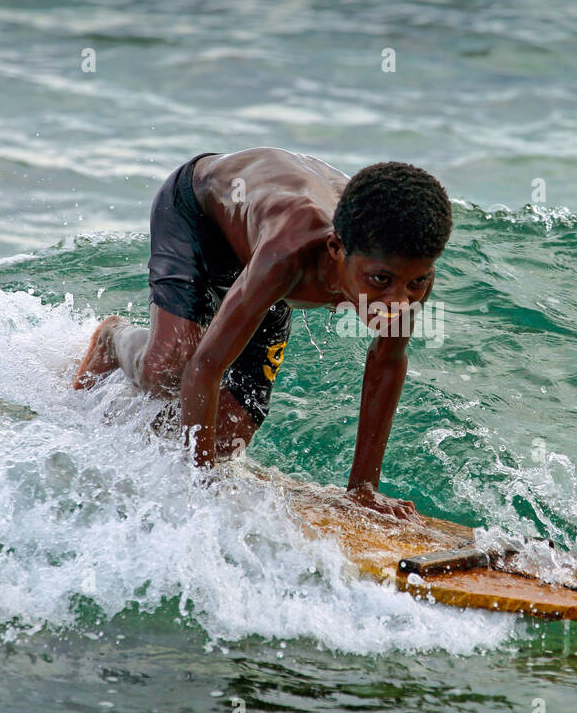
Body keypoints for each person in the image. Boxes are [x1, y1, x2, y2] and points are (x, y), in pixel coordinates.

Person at [72, 147, 451, 523]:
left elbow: (386, 362)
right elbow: (206, 365)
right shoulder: (289, 255)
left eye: (416, 283)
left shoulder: (404, 267)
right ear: (335, 249)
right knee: (169, 368)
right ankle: (113, 337)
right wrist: (198, 484)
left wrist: (363, 490)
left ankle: (134, 422)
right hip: (200, 214)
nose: (398, 303)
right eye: (381, 281)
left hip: (263, 244)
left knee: (226, 437)